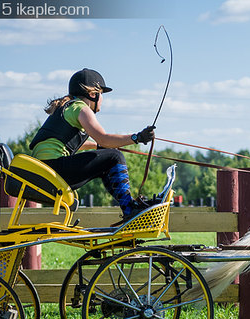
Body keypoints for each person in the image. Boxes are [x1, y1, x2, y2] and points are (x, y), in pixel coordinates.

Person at [28, 68, 155, 221]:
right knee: (115, 157)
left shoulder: (67, 107)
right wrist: (137, 137)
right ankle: (131, 209)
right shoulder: (81, 107)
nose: (102, 99)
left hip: (44, 171)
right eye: (102, 94)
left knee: (106, 163)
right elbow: (104, 138)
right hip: (54, 170)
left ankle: (130, 208)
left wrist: (98, 147)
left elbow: (71, 144)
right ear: (93, 94)